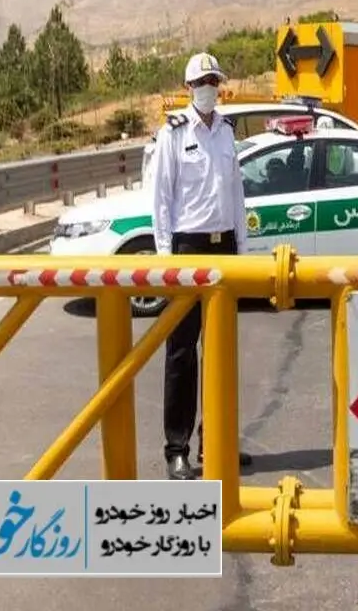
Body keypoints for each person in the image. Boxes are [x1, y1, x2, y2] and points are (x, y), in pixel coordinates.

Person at [149, 52, 254, 480]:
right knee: (181, 354)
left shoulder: (227, 132)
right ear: (189, 87)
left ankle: (218, 442)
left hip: (225, 246)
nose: (210, 87)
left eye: (215, 80)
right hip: (188, 249)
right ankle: (178, 448)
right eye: (203, 81)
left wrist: (243, 252)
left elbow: (237, 194)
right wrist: (164, 259)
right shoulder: (172, 134)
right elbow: (161, 199)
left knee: (222, 351)